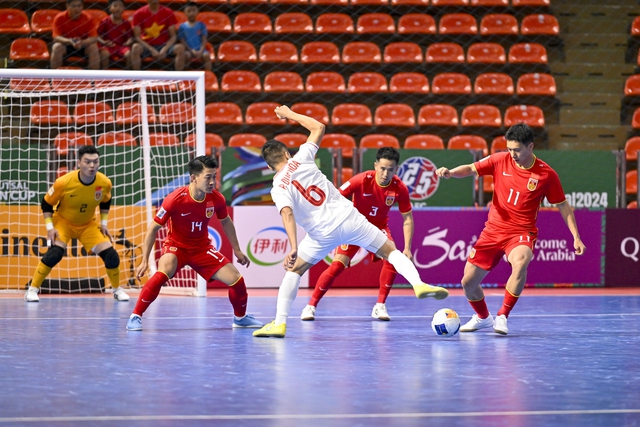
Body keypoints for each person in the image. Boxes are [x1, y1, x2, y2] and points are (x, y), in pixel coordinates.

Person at [253, 106, 449, 338]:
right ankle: (418, 283)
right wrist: (289, 114)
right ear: (287, 154)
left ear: (268, 166)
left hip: (321, 234)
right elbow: (318, 127)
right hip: (350, 219)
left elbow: (287, 214)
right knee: (390, 251)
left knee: (294, 271)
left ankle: (279, 323)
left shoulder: (277, 188)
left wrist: (294, 247)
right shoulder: (301, 158)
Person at [435, 123, 586, 335]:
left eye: (517, 150)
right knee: (468, 283)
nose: (512, 154)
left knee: (521, 261)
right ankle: (483, 317)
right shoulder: (499, 160)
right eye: (509, 149)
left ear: (530, 146)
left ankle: (503, 316)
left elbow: (563, 205)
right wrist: (451, 173)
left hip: (521, 232)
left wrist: (576, 237)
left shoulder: (546, 174)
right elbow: (471, 168)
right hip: (493, 230)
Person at [126, 155, 263, 331]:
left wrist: (237, 250)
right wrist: (145, 260)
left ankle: (240, 318)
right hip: (176, 247)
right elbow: (153, 228)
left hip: (202, 249)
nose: (213, 182)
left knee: (236, 280)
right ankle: (135, 316)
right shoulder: (174, 199)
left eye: (214, 176)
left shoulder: (216, 198)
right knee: (162, 272)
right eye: (208, 177)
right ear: (193, 178)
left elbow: (226, 222)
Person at [300, 147, 414, 322]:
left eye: (390, 170)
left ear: (396, 169)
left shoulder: (399, 188)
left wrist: (407, 248)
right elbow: (335, 198)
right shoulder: (361, 180)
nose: (385, 173)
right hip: (353, 225)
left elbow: (407, 219)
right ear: (376, 166)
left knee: (394, 258)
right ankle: (311, 306)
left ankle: (380, 306)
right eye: (382, 168)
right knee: (337, 265)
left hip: (378, 227)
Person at [24, 146, 130, 302]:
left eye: (95, 162)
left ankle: (116, 290)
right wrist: (50, 228)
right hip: (63, 223)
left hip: (87, 225)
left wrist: (104, 223)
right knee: (55, 254)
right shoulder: (63, 182)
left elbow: (106, 202)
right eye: (87, 162)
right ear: (79, 163)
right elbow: (46, 204)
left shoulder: (105, 182)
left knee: (112, 256)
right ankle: (32, 290)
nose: (92, 166)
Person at [131, 0, 186, 71]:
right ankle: (136, 78)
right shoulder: (139, 13)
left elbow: (173, 36)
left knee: (180, 48)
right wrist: (151, 49)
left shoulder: (168, 12)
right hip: (146, 45)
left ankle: (179, 79)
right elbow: (137, 37)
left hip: (164, 45)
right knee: (135, 47)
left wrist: (164, 49)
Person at [51, 0, 100, 70]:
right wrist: (70, 41)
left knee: (93, 48)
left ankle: (94, 78)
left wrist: (82, 42)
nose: (76, 9)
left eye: (79, 6)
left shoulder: (88, 18)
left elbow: (93, 37)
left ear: (82, 7)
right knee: (56, 47)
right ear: (67, 6)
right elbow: (56, 37)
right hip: (66, 45)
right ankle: (54, 76)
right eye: (73, 6)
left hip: (83, 45)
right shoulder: (59, 18)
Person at [97, 0, 142, 70]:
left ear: (124, 8)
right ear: (109, 8)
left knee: (129, 54)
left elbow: (130, 37)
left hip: (121, 47)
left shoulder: (126, 23)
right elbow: (98, 36)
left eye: (120, 6)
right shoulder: (105, 21)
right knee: (104, 54)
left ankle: (128, 76)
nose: (118, 8)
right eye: (115, 6)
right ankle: (104, 75)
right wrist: (104, 42)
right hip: (108, 46)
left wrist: (128, 42)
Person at [178, 2, 212, 72]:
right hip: (188, 50)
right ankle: (185, 75)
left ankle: (208, 75)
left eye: (194, 10)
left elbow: (204, 39)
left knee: (206, 55)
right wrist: (191, 50)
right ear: (185, 13)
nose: (191, 13)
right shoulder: (182, 27)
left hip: (200, 50)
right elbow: (182, 41)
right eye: (189, 11)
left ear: (197, 12)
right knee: (185, 56)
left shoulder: (202, 25)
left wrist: (201, 50)